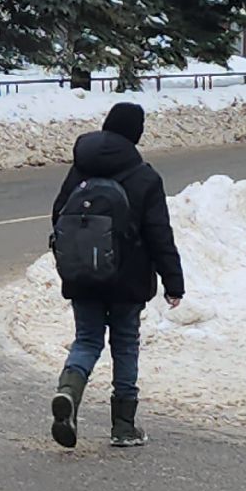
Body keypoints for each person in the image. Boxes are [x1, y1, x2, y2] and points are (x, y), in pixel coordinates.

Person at [48, 103, 184, 448]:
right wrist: (173, 281)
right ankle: (123, 426)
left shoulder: (81, 167)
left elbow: (58, 214)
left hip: (83, 273)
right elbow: (159, 233)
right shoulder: (145, 176)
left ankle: (68, 393)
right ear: (136, 134)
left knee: (87, 340)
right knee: (125, 345)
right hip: (128, 279)